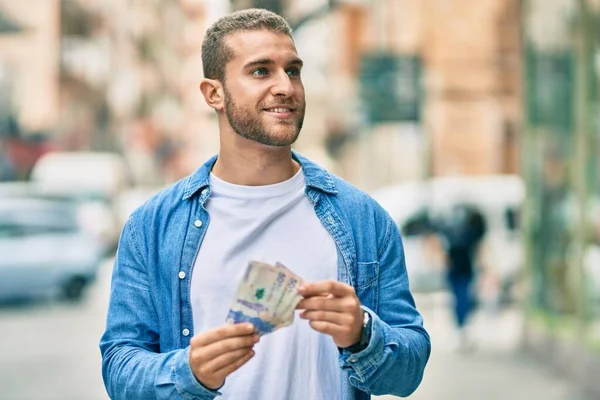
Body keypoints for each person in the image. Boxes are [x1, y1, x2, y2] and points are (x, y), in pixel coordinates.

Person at [100, 8, 430, 400]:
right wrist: (188, 372)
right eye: (261, 71)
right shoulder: (153, 226)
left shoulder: (363, 219)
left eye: (292, 70)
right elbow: (119, 367)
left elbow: (409, 371)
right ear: (214, 93)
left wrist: (363, 334)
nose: (285, 87)